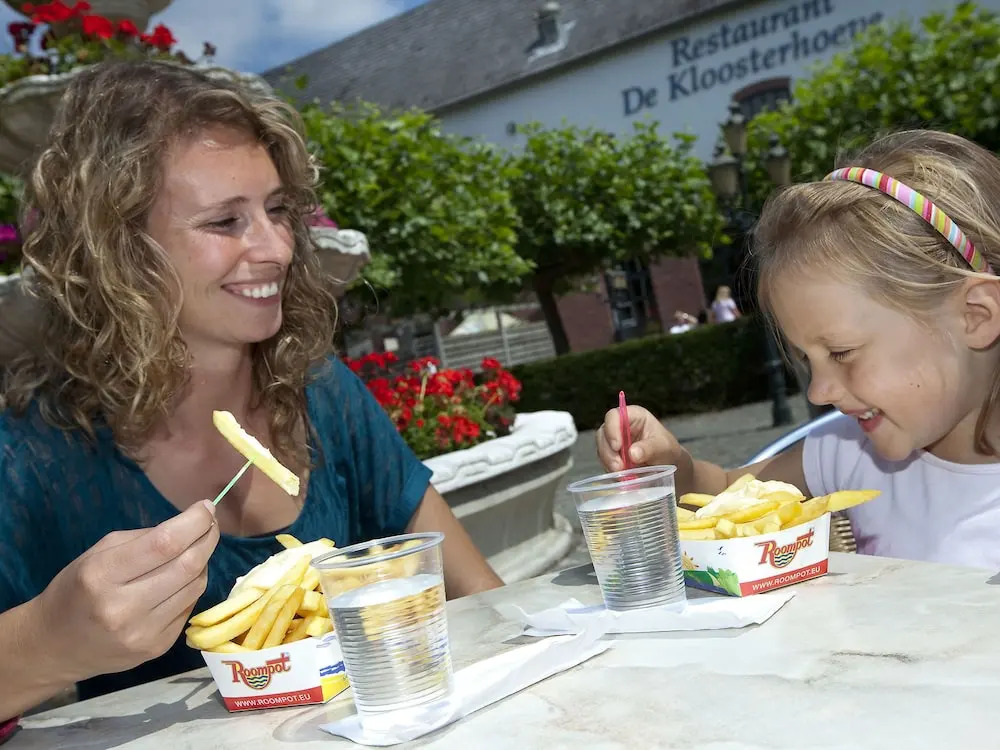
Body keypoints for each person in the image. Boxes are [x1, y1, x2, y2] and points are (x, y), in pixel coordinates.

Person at [0, 60, 502, 720]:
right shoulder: (34, 452)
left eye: (277, 211)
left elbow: (483, 602)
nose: (277, 249)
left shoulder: (321, 395)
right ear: (118, 250)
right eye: (224, 222)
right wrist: (49, 643)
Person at [597, 129, 1000, 572]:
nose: (818, 392)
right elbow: (724, 493)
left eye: (841, 352)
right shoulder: (848, 452)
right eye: (807, 359)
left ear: (976, 316)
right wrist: (671, 466)